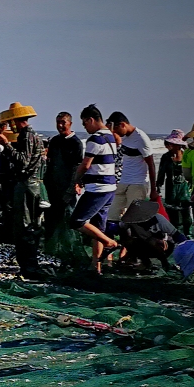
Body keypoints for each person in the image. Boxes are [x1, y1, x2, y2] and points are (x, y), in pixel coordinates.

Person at [0, 101, 47, 276]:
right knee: (33, 225)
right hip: (34, 185)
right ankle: (30, 264)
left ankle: (29, 266)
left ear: (16, 121)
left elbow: (23, 161)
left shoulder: (26, 136)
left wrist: (6, 144)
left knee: (25, 227)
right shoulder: (35, 136)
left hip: (27, 185)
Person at [69, 104, 120, 273]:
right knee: (98, 227)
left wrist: (76, 180)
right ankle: (96, 265)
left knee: (76, 221)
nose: (85, 127)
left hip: (98, 187)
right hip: (110, 186)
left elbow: (86, 164)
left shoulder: (95, 138)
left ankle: (109, 243)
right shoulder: (111, 137)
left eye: (85, 124)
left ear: (91, 120)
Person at [108, 111, 156, 222]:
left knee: (133, 219)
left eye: (116, 129)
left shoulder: (141, 138)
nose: (116, 133)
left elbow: (151, 164)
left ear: (123, 124)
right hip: (123, 181)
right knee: (111, 215)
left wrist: (154, 190)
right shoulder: (123, 136)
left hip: (138, 183)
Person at [44, 111, 84, 238]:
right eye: (58, 122)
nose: (60, 125)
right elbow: (49, 163)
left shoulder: (76, 143)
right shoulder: (55, 141)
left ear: (70, 124)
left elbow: (77, 168)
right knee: (50, 218)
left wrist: (72, 189)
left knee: (66, 219)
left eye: (63, 123)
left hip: (67, 188)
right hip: (52, 187)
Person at [116, 200, 178, 272]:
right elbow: (124, 238)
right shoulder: (130, 221)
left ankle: (165, 263)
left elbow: (177, 235)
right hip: (144, 243)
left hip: (163, 245)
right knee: (131, 241)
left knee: (151, 241)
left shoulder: (159, 219)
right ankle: (146, 263)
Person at [158, 130, 193, 235]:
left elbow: (191, 172)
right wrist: (158, 186)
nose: (169, 146)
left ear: (178, 145)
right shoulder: (165, 157)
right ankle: (175, 235)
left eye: (172, 144)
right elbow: (161, 173)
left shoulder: (186, 155)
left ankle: (188, 234)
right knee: (173, 215)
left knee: (186, 214)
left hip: (184, 187)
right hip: (170, 188)